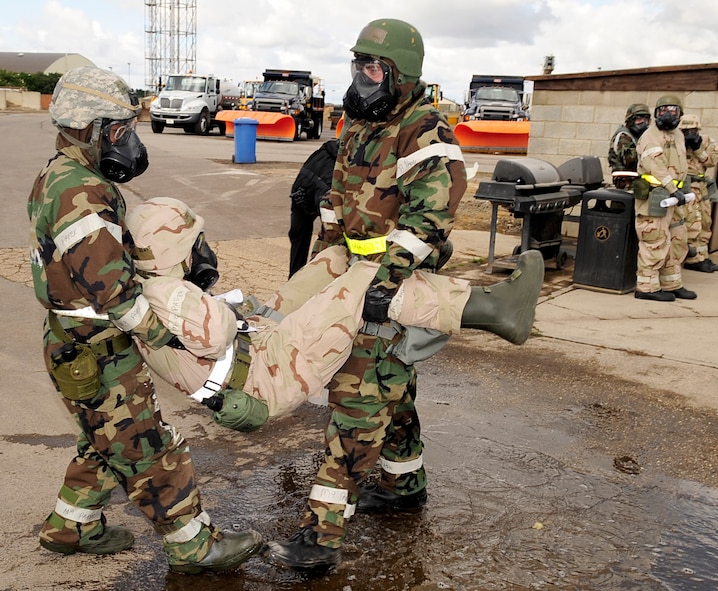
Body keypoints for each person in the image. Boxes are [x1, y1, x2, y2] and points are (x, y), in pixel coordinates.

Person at [261, 18, 513, 574]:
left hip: (385, 283)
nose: (362, 77)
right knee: (394, 385)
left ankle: (320, 535)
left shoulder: (424, 130)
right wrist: (325, 263)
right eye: (357, 65)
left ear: (401, 75)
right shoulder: (358, 120)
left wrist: (386, 279)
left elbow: (432, 217)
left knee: (357, 401)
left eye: (373, 68)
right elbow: (339, 197)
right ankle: (404, 483)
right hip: (351, 271)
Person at [26, 66, 262, 575]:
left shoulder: (64, 174)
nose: (126, 141)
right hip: (98, 345)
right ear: (89, 128)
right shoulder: (81, 193)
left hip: (76, 340)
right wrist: (169, 336)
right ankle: (194, 546)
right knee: (148, 447)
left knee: (106, 438)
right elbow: (114, 290)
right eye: (119, 130)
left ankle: (71, 526)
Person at [126, 197, 544, 432]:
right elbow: (214, 334)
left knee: (336, 259)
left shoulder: (149, 287)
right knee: (368, 277)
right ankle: (493, 309)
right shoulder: (165, 289)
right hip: (271, 374)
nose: (204, 249)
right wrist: (209, 302)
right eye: (195, 242)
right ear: (173, 249)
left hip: (259, 346)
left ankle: (421, 287)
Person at [632, 95, 697, 302]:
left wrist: (684, 191)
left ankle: (672, 283)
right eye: (662, 110)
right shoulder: (650, 136)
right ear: (656, 113)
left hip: (676, 198)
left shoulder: (678, 135)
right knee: (654, 241)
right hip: (656, 196)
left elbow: (682, 165)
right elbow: (656, 166)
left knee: (677, 240)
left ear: (680, 114)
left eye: (672, 110)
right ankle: (646, 287)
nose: (667, 114)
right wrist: (671, 188)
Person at [288, 139, 339, 278]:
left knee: (329, 240)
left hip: (310, 190)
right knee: (299, 234)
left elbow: (328, 237)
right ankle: (295, 280)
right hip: (304, 191)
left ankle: (305, 279)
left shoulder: (329, 195)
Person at [680, 114, 718, 273]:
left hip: (702, 187)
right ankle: (693, 259)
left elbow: (711, 161)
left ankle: (702, 256)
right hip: (687, 187)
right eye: (685, 131)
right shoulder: (675, 143)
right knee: (693, 223)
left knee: (705, 222)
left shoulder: (706, 141)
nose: (688, 134)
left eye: (692, 130)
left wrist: (698, 149)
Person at [608, 103, 651, 190]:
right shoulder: (623, 136)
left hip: (637, 181)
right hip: (626, 183)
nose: (643, 123)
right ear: (630, 120)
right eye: (639, 119)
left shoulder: (638, 137)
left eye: (645, 119)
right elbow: (631, 161)